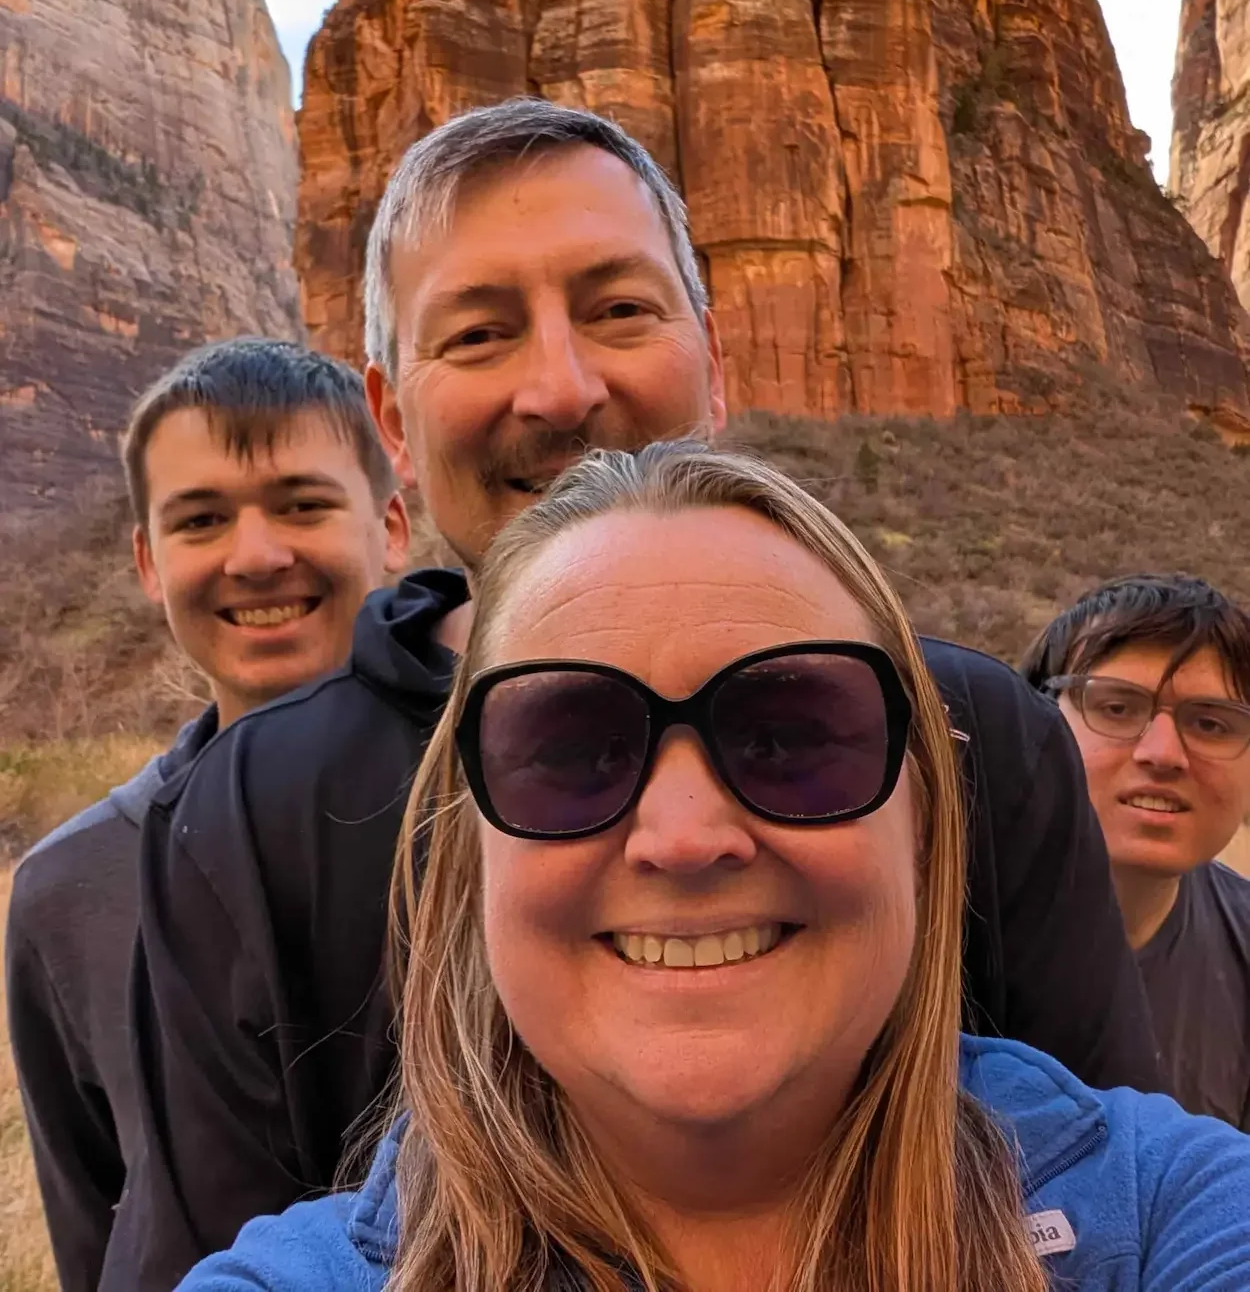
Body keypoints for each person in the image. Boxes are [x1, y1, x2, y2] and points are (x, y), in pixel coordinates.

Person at [107, 100, 1161, 1292]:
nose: (558, 389)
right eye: (477, 332)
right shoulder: (247, 804)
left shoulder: (969, 730)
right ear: (391, 416)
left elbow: (1106, 1175)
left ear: (713, 361)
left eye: (618, 310)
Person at [179, 445, 1250, 1292]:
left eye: (791, 735)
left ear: (921, 818)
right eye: (567, 749)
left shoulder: (1171, 1219)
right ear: (471, 855)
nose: (684, 836)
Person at [5, 337, 411, 1292]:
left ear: (390, 525)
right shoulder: (68, 890)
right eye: (201, 520)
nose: (258, 555)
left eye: (304, 505)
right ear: (148, 561)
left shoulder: (510, 811)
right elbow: (94, 1221)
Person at [1021, 575, 1250, 1130]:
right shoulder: (920, 924)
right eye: (1117, 708)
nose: (1164, 754)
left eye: (1211, 723)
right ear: (1030, 723)